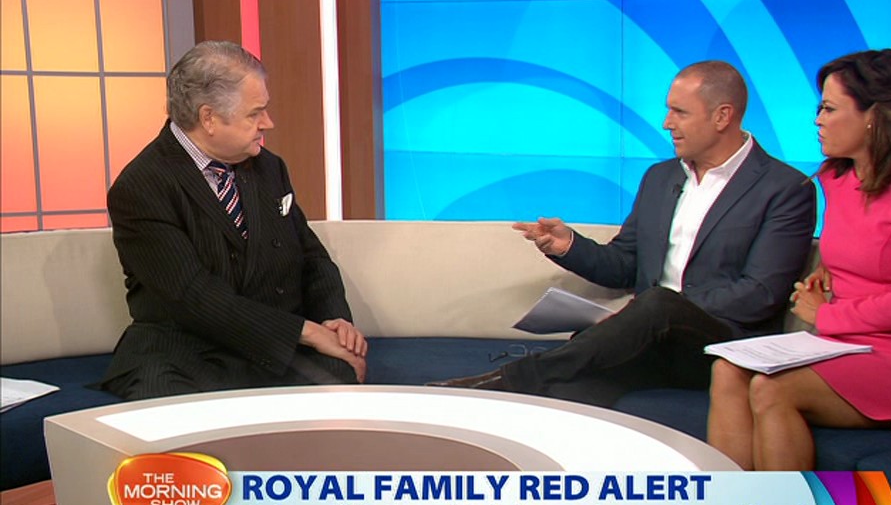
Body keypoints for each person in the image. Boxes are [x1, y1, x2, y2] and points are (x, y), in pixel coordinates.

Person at [706, 49, 891, 505]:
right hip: (848, 346)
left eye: (829, 108)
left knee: (771, 389)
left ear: (875, 116)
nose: (817, 120)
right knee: (727, 370)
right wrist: (826, 276)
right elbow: (859, 252)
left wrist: (825, 315)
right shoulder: (835, 180)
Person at [430, 61, 817, 407]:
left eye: (680, 112)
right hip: (649, 340)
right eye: (668, 110)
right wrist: (569, 246)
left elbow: (759, 295)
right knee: (572, 384)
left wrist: (654, 312)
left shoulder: (784, 189)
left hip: (720, 348)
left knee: (657, 305)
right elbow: (624, 265)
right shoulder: (660, 177)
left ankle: (507, 379)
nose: (667, 123)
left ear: (722, 116)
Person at [97, 40, 367, 400]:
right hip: (188, 351)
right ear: (208, 118)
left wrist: (335, 322)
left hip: (272, 350)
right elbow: (193, 296)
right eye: (255, 114)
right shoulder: (143, 186)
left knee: (339, 375)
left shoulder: (269, 167)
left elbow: (311, 257)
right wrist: (306, 331)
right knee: (169, 405)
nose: (268, 123)